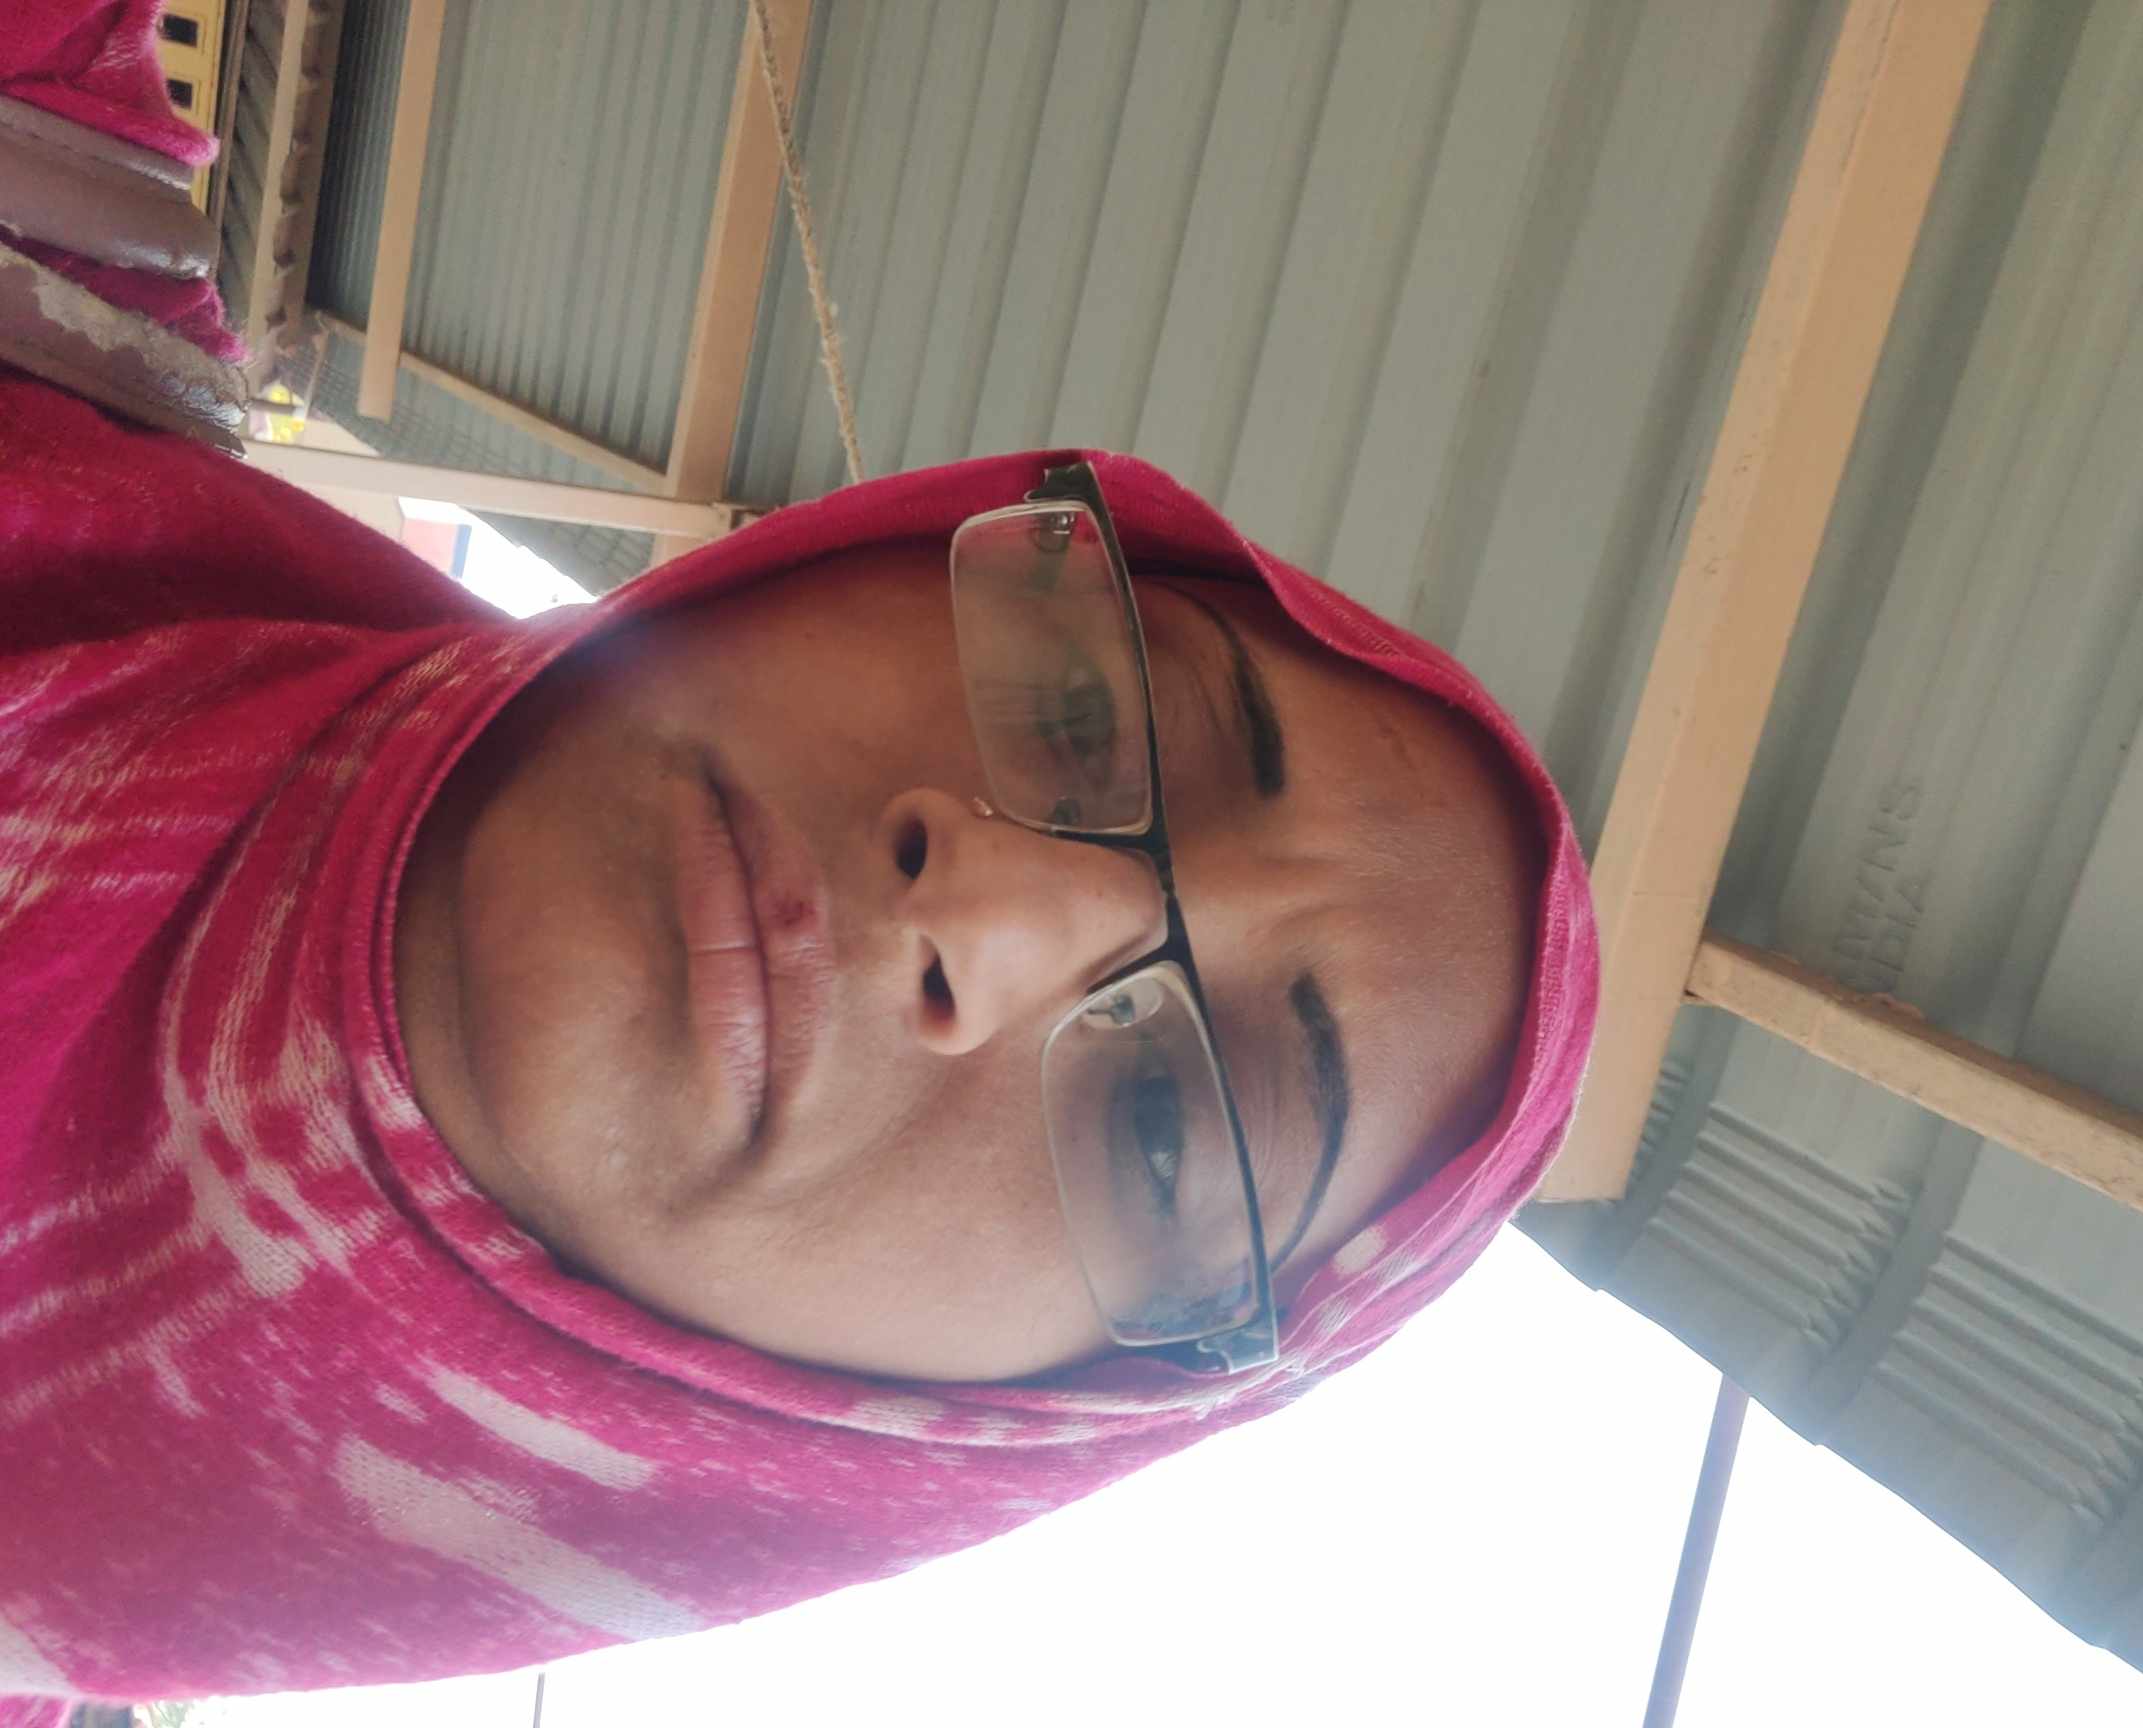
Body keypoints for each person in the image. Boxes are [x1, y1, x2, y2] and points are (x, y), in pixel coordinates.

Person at [0, 5, 1596, 1720]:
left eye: (1159, 1132)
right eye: (1089, 711)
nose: (984, 909)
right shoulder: (51, 233)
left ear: (968, 1426)